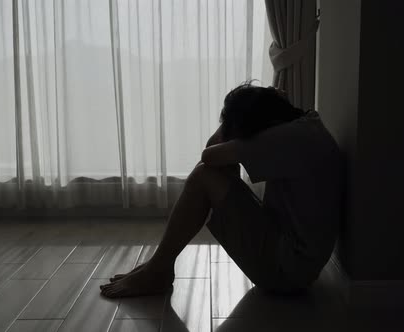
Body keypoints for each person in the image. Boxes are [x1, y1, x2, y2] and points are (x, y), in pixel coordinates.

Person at [100, 82, 343, 298]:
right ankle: (159, 265)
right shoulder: (307, 122)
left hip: (286, 272)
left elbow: (209, 153)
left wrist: (234, 123)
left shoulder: (287, 138)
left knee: (204, 175)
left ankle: (157, 270)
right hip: (297, 261)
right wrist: (265, 103)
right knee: (211, 171)